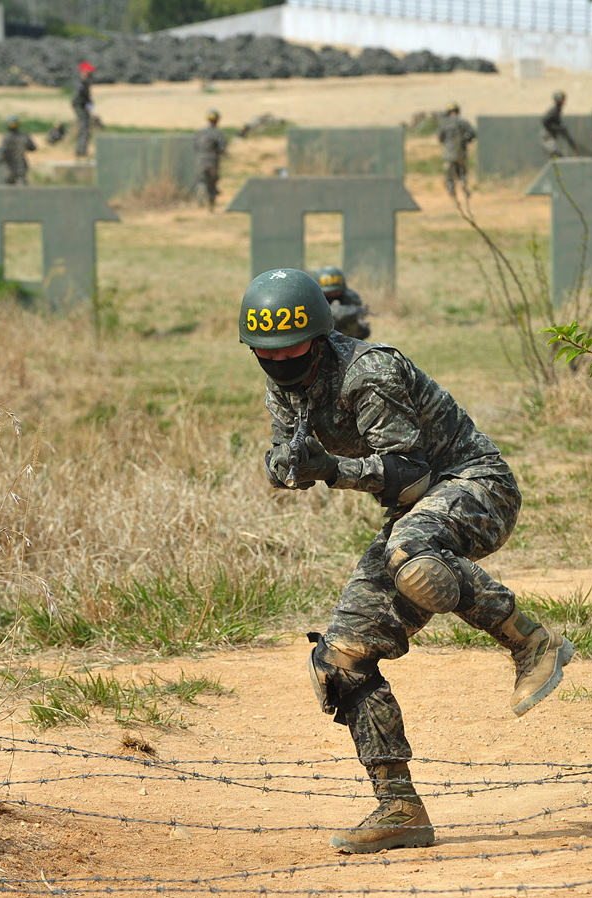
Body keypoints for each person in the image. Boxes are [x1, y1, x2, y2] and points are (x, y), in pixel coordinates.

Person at [240, 268, 574, 854]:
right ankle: (400, 809)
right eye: (269, 352)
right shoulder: (282, 382)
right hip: (410, 513)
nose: (282, 359)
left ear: (319, 336)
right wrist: (284, 466)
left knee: (411, 554)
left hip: (474, 486)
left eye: (293, 347)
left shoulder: (369, 371)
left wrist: (333, 470)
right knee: (340, 659)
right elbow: (287, 445)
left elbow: (414, 477)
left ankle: (528, 640)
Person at [314, 265, 370, 339]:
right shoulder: (314, 299)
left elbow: (362, 332)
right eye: (328, 293)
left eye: (336, 292)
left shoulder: (351, 298)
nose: (332, 295)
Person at [437, 102, 476, 200]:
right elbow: (473, 134)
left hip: (448, 154)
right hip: (461, 153)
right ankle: (464, 187)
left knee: (449, 175)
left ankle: (452, 193)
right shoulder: (463, 122)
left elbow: (440, 138)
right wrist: (465, 140)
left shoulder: (444, 123)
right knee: (461, 173)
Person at [194, 110, 227, 212]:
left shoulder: (200, 133)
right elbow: (221, 149)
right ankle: (211, 206)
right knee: (212, 184)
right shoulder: (218, 134)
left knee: (201, 181)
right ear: (217, 120)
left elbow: (195, 146)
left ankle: (200, 197)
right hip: (213, 162)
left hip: (200, 161)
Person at [541, 90, 580, 157]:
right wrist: (556, 127)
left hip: (551, 135)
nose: (564, 101)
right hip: (548, 135)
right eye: (562, 99)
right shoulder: (554, 110)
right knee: (554, 153)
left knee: (556, 154)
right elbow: (545, 121)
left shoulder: (558, 109)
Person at [0, 116, 36, 185]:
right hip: (21, 164)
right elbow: (33, 148)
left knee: (9, 185)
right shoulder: (24, 136)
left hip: (10, 165)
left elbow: (3, 152)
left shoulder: (6, 137)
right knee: (22, 183)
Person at [72, 62, 94, 157]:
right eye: (88, 72)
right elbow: (79, 97)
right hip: (81, 106)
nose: (90, 74)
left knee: (85, 128)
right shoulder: (81, 83)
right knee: (83, 128)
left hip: (83, 106)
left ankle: (82, 149)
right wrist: (86, 103)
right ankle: (81, 151)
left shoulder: (85, 82)